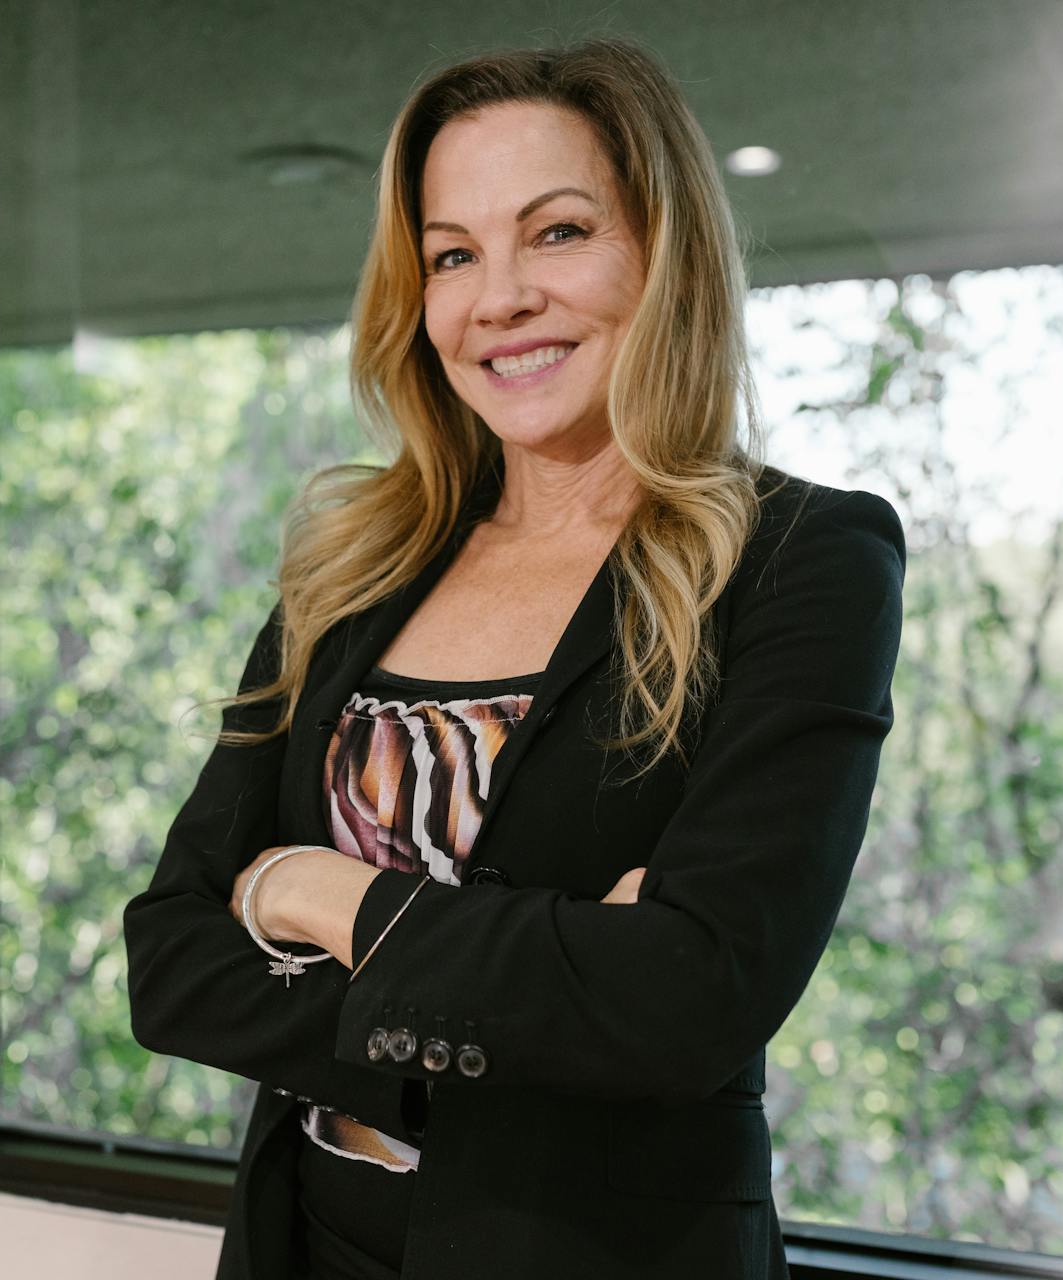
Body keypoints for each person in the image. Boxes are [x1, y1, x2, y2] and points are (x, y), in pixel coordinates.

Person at [123, 34, 906, 1280]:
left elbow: (689, 1000)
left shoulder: (804, 558)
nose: (499, 299)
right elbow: (170, 962)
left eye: (557, 233)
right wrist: (555, 972)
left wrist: (306, 893)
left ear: (664, 251)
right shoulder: (355, 564)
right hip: (304, 1248)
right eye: (452, 254)